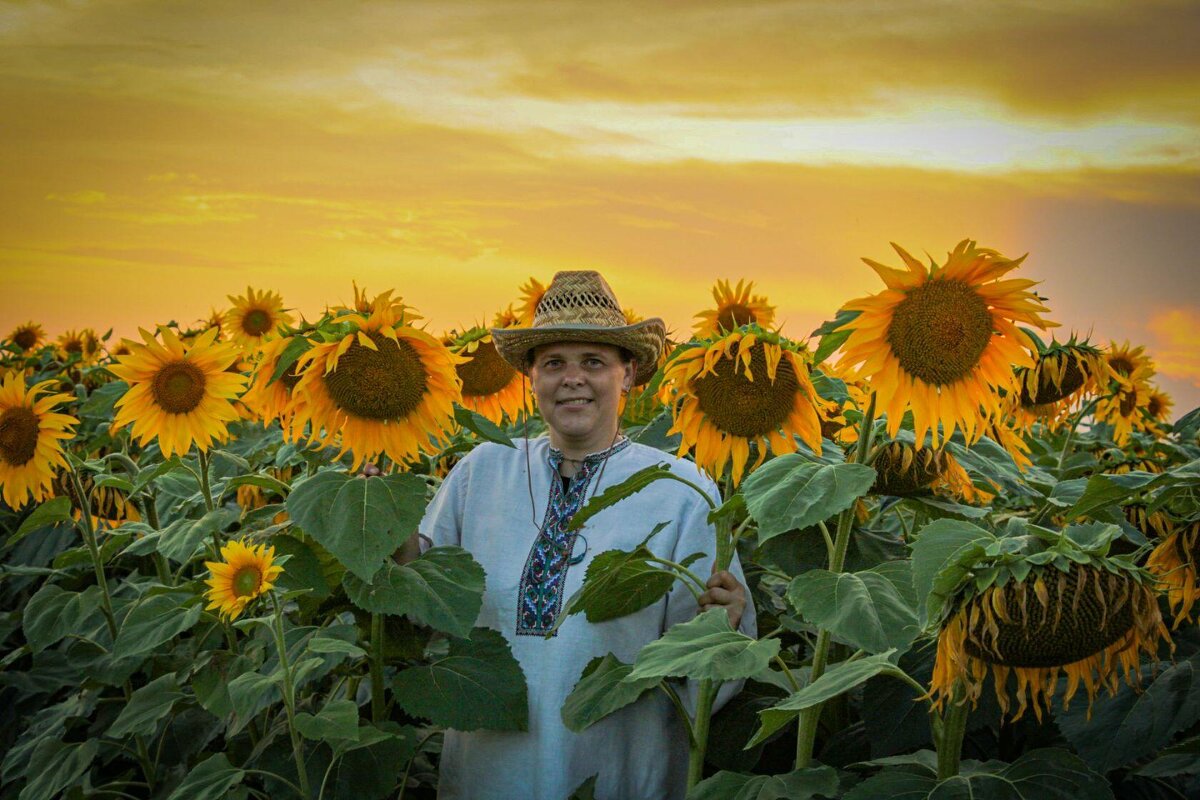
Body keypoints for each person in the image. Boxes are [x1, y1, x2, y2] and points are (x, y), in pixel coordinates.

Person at [410, 271, 756, 800]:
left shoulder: (681, 491)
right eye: (554, 363)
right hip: (489, 769)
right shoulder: (481, 472)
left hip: (616, 765)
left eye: (592, 362)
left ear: (627, 375)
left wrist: (723, 628)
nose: (572, 379)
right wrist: (384, 525)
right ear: (532, 378)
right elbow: (422, 600)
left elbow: (705, 670)